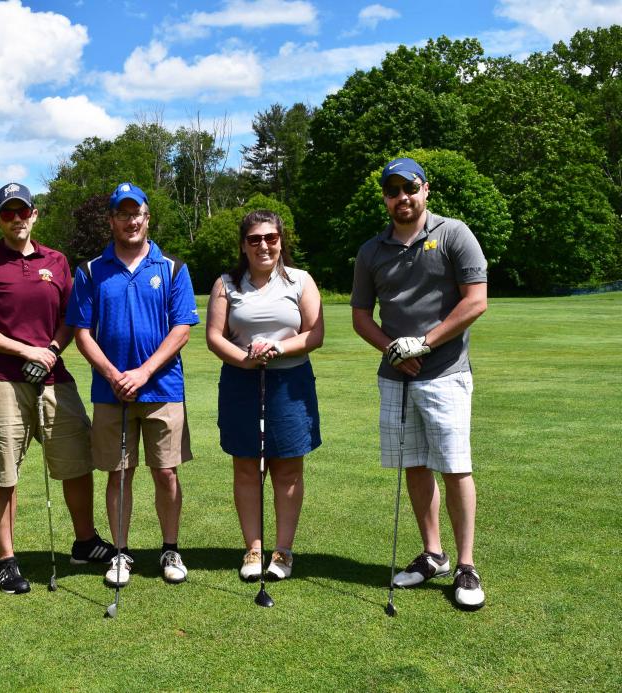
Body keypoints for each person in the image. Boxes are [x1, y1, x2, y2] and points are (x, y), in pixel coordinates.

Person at [0, 182, 115, 595]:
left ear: (34, 215)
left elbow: (71, 315)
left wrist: (49, 349)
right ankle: (6, 559)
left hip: (52, 374)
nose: (16, 219)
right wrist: (25, 350)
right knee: (2, 467)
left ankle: (85, 542)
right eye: (7, 213)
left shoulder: (57, 261)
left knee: (76, 458)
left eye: (22, 212)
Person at [350, 157, 488, 610]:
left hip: (445, 372)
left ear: (425, 190)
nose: (402, 198)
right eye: (393, 192)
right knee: (413, 465)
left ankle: (466, 565)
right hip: (396, 376)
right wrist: (393, 349)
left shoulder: (453, 234)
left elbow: (475, 301)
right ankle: (434, 554)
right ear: (386, 199)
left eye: (409, 189)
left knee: (453, 465)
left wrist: (423, 345)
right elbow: (359, 316)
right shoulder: (372, 250)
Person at [66, 182, 200, 588]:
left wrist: (142, 373)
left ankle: (170, 547)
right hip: (111, 394)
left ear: (147, 217)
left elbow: (181, 330)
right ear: (111, 220)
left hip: (162, 390)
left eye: (136, 213)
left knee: (167, 473)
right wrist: (112, 374)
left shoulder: (172, 268)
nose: (130, 221)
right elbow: (82, 331)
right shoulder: (90, 270)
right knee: (118, 474)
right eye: (121, 214)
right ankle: (121, 554)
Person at [205, 210, 323, 582]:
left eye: (270, 237)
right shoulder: (227, 284)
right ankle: (253, 549)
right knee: (246, 465)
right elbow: (214, 336)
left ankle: (283, 551)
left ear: (281, 241)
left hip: (290, 385)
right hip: (241, 384)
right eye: (254, 239)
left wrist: (277, 347)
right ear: (243, 245)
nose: (263, 245)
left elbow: (314, 333)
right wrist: (245, 359)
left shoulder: (300, 281)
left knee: (287, 466)